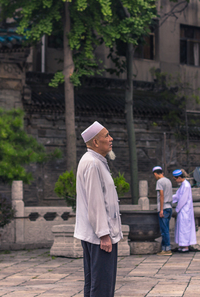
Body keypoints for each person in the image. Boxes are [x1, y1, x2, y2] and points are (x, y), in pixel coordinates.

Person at [74, 121, 122, 297]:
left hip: (95, 234)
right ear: (95, 142)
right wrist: (104, 234)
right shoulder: (92, 163)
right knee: (102, 285)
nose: (111, 139)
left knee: (95, 283)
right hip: (99, 237)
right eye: (106, 136)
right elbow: (95, 202)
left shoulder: (95, 161)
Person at [172, 169, 197, 253]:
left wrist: (177, 208)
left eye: (175, 179)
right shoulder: (183, 185)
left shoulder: (186, 185)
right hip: (182, 210)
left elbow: (183, 199)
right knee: (181, 228)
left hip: (185, 210)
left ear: (179, 177)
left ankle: (185, 246)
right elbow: (177, 195)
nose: (175, 181)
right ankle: (182, 245)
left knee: (185, 228)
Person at [152, 166, 173, 255]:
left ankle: (167, 249)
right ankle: (164, 248)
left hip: (164, 207)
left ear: (155, 174)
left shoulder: (159, 182)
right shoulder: (168, 181)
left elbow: (161, 195)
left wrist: (161, 209)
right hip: (169, 207)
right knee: (166, 229)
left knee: (164, 230)